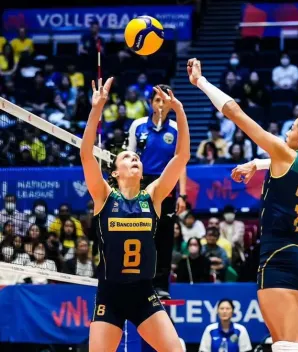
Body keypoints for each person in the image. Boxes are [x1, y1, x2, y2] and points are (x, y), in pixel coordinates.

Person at [189, 57, 298, 351]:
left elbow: (234, 111)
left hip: (279, 256)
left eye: (292, 130)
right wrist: (257, 164)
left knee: (287, 346)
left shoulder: (284, 155)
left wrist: (201, 82)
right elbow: (288, 167)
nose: (286, 133)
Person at [80, 77, 189, 351]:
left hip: (143, 293)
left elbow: (181, 157)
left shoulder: (152, 196)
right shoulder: (104, 196)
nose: (135, 159)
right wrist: (97, 109)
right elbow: (85, 156)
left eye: (137, 158)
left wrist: (179, 111)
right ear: (115, 172)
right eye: (128, 158)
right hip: (110, 293)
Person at [127, 84, 188, 298]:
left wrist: (182, 194)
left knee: (164, 237)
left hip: (167, 184)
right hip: (142, 185)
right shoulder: (138, 126)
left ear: (172, 104)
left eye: (165, 101)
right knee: (142, 234)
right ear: (151, 103)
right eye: (157, 100)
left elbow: (181, 163)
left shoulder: (177, 129)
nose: (161, 105)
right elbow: (129, 158)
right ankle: (140, 282)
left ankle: (161, 285)